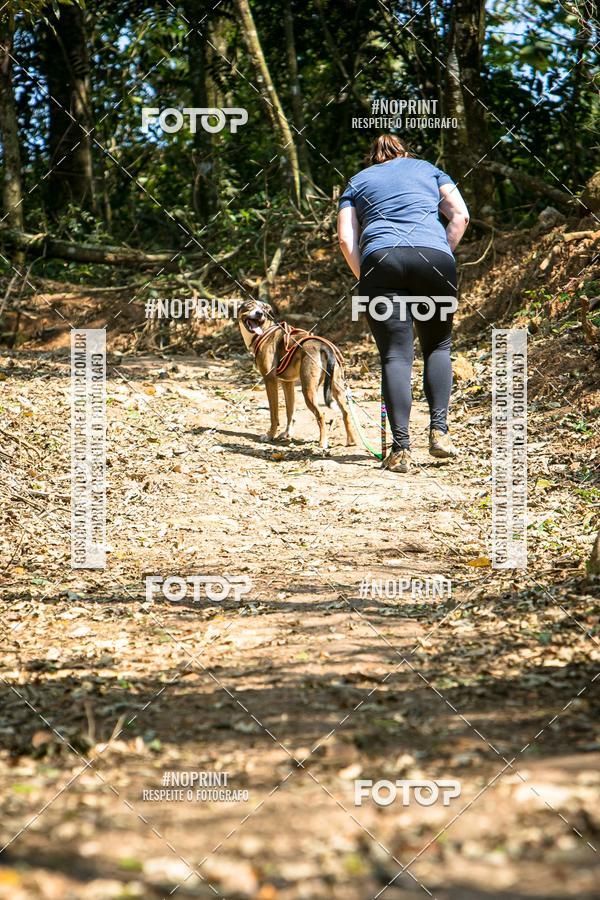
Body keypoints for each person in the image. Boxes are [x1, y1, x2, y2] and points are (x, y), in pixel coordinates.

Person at [337, 134, 470, 473]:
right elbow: (460, 216)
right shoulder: (428, 169)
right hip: (434, 259)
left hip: (381, 260)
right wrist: (440, 255)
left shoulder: (357, 181)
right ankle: (439, 431)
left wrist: (364, 274)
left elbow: (345, 237)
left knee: (396, 354)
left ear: (372, 157)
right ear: (404, 153)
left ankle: (401, 450)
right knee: (438, 346)